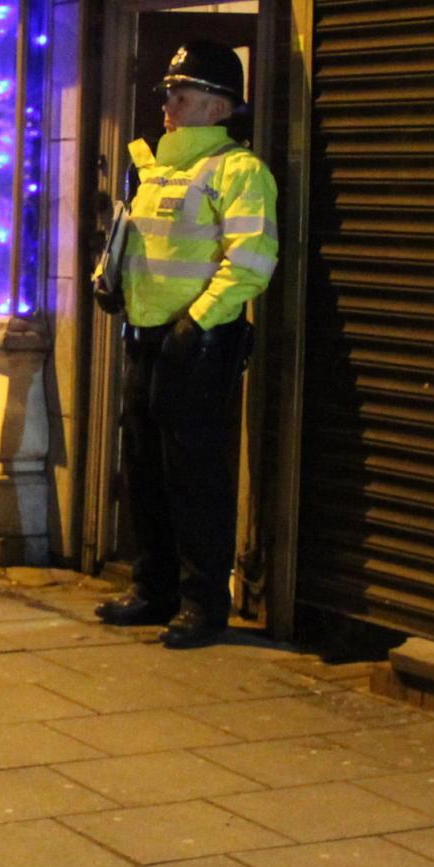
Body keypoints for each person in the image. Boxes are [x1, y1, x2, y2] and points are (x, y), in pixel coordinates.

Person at [95, 42, 279, 649]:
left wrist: (196, 323)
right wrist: (109, 283)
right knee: (144, 469)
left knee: (194, 477)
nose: (168, 106)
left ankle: (203, 603)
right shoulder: (155, 170)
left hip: (199, 344)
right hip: (146, 337)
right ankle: (154, 589)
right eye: (169, 95)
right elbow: (135, 244)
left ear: (218, 107)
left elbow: (251, 262)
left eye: (182, 95)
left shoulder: (239, 171)